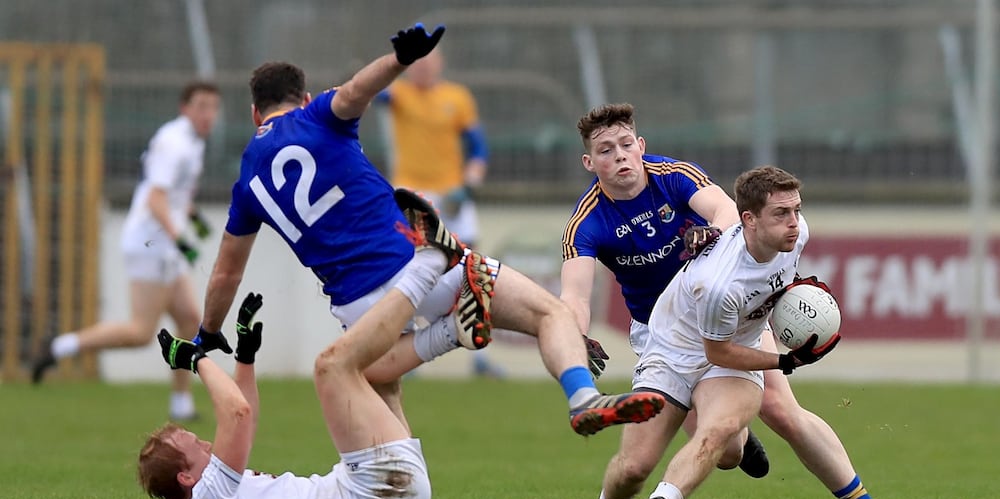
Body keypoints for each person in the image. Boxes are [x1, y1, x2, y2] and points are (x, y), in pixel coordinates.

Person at [194, 24, 665, 437]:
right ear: (303, 97)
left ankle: (405, 495)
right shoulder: (316, 116)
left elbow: (225, 275)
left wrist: (208, 331)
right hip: (420, 261)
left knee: (378, 379)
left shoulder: (246, 184)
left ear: (255, 113)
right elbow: (358, 90)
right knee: (549, 313)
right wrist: (399, 58)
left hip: (360, 306)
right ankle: (582, 396)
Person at [565, 106, 889, 499]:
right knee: (724, 452)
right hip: (665, 335)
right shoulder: (587, 221)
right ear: (590, 163)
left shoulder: (674, 175)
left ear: (641, 146)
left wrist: (712, 232)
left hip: (732, 315)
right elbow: (575, 293)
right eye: (606, 151)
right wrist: (576, 335)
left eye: (627, 145)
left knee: (782, 409)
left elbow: (725, 209)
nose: (621, 157)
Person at [139, 292, 432, 499]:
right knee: (332, 368)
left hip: (376, 497)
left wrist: (245, 356)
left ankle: (439, 321)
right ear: (186, 477)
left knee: (377, 379)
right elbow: (236, 414)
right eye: (197, 447)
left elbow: (245, 424)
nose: (207, 444)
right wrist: (195, 360)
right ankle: (446, 328)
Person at [32, 80, 221, 421]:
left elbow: (175, 193)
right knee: (140, 333)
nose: (208, 114)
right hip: (150, 245)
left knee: (191, 320)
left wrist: (195, 219)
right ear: (185, 108)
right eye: (201, 106)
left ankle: (181, 404)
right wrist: (182, 241)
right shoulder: (173, 142)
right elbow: (155, 198)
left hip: (166, 245)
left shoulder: (194, 143)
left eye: (213, 107)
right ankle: (60, 346)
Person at [376, 48, 504, 379]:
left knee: (474, 271)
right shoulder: (399, 95)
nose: (422, 68)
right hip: (413, 195)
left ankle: (479, 356)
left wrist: (469, 186)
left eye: (428, 61)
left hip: (451, 196)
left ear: (440, 64)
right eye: (416, 62)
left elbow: (479, 148)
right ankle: (404, 353)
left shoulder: (456, 97)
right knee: (404, 271)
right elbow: (371, 93)